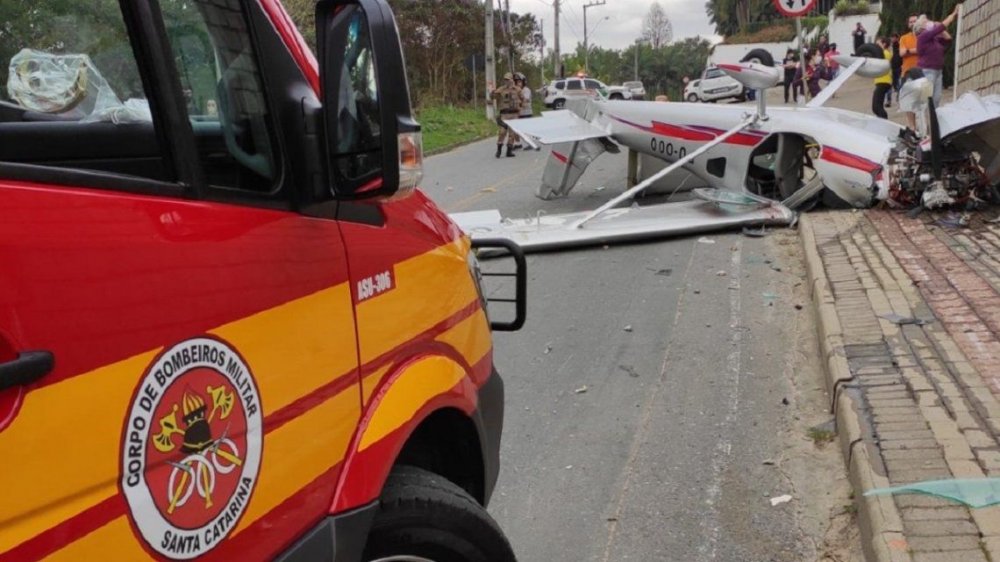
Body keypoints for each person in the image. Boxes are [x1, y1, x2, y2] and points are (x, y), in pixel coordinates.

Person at [915, 6, 960, 107]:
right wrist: (952, 15)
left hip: (938, 71)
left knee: (936, 98)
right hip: (927, 70)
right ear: (921, 26)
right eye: (926, 22)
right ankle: (926, 120)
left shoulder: (934, 39)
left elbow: (948, 39)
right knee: (928, 99)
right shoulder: (923, 36)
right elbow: (941, 27)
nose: (930, 22)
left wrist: (939, 28)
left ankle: (933, 119)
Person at [490, 72, 522, 158]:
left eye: (508, 79)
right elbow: (493, 97)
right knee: (502, 132)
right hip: (504, 115)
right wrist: (492, 93)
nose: (507, 81)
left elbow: (523, 100)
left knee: (512, 134)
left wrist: (520, 110)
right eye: (505, 80)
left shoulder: (518, 89)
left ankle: (509, 151)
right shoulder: (501, 89)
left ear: (512, 80)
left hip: (514, 114)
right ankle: (499, 150)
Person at [899, 14, 920, 131]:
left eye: (915, 21)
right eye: (911, 22)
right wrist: (915, 50)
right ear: (908, 25)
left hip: (923, 72)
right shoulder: (904, 38)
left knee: (922, 100)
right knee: (908, 100)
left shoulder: (924, 37)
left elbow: (924, 50)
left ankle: (923, 125)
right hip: (907, 72)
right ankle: (912, 126)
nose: (913, 24)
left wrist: (908, 51)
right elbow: (902, 53)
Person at [871, 37, 892, 119]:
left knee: (876, 106)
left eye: (878, 44)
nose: (876, 46)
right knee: (876, 106)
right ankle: (882, 119)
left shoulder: (885, 53)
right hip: (881, 81)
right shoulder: (882, 53)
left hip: (884, 81)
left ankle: (884, 119)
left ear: (884, 44)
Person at [889, 33, 902, 103]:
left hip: (899, 65)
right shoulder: (891, 46)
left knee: (899, 81)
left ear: (897, 38)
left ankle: (899, 95)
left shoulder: (899, 44)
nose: (892, 39)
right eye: (891, 37)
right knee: (894, 82)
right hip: (893, 65)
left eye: (894, 37)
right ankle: (897, 93)